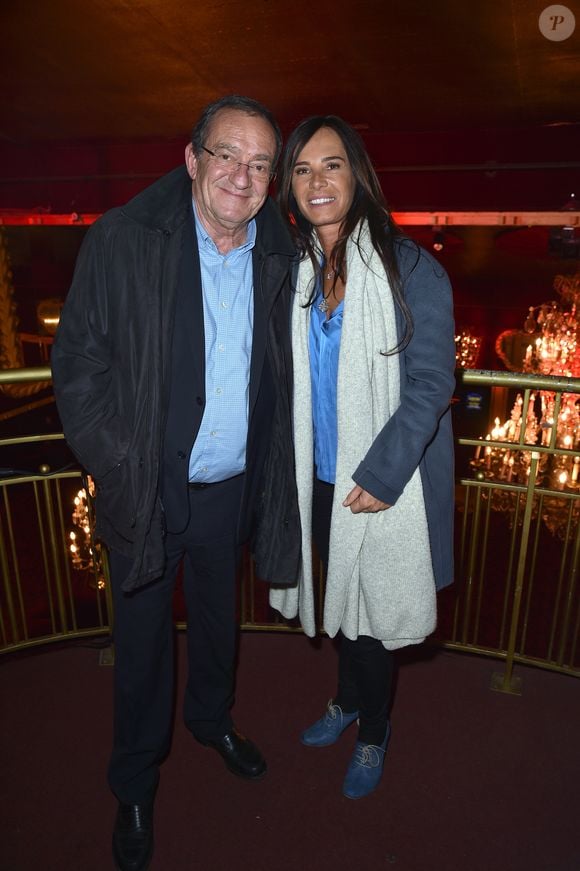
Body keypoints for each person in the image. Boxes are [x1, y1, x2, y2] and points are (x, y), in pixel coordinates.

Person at [51, 94, 299, 871]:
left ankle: (212, 718)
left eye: (260, 163)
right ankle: (132, 782)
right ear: (191, 159)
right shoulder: (124, 239)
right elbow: (78, 368)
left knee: (220, 625)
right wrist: (123, 466)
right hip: (145, 489)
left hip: (228, 488)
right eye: (226, 154)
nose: (241, 175)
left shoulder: (279, 253)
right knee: (143, 644)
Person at [268, 115, 455, 800]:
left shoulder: (411, 269)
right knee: (341, 602)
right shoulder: (298, 270)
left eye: (333, 165)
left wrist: (381, 474)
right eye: (302, 168)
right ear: (289, 184)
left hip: (383, 482)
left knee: (373, 617)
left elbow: (433, 383)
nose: (318, 181)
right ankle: (346, 700)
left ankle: (374, 728)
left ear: (358, 174)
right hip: (317, 478)